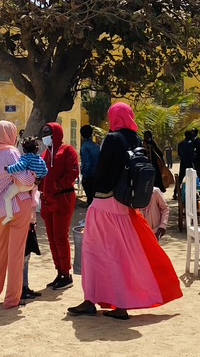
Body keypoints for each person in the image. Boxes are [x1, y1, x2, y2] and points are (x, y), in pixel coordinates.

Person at [67, 102, 183, 319]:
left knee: (92, 252)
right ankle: (120, 304)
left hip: (104, 203)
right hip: (125, 204)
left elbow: (102, 171)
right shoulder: (136, 139)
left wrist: (93, 191)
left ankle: (90, 300)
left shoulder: (112, 139)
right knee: (120, 255)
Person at [0, 120, 35, 310]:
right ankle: (12, 299)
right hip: (18, 206)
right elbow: (24, 178)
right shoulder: (11, 152)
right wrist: (33, 176)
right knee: (16, 253)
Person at [40, 121, 80, 291]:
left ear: (56, 134)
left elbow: (73, 171)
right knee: (51, 237)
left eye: (48, 133)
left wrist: (57, 186)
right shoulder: (46, 153)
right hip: (48, 199)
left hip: (63, 197)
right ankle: (59, 271)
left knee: (60, 236)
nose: (45, 136)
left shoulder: (67, 150)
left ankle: (66, 273)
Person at [3, 136, 47, 223]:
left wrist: (8, 169)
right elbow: (45, 171)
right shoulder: (41, 160)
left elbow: (19, 166)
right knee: (32, 200)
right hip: (33, 185)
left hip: (22, 185)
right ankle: (33, 213)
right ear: (37, 149)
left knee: (7, 197)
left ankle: (9, 215)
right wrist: (39, 178)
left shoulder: (26, 158)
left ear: (23, 150)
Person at [79, 124, 100, 206]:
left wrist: (85, 176)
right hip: (97, 176)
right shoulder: (96, 146)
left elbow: (87, 163)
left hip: (89, 177)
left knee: (90, 200)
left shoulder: (85, 147)